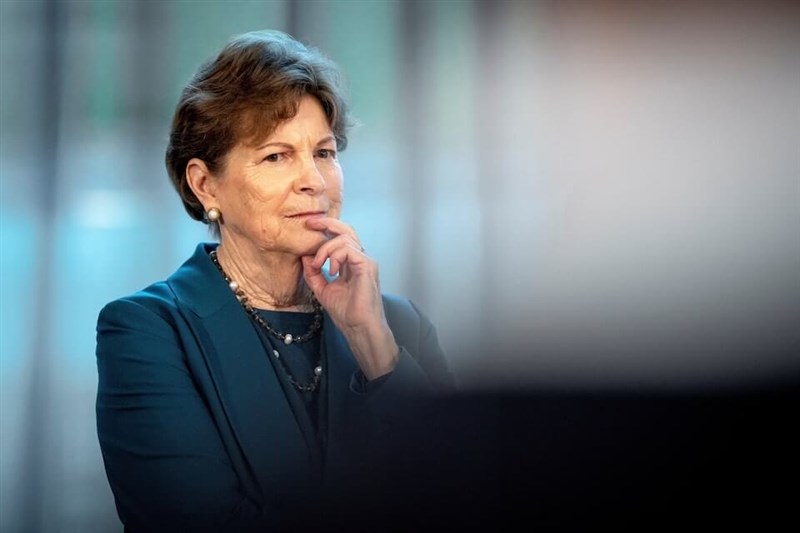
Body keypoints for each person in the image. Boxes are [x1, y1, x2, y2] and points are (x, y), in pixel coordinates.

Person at [95, 29, 454, 532]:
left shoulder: (398, 325)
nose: (313, 179)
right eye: (276, 156)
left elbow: (463, 496)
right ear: (204, 184)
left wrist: (375, 346)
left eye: (325, 153)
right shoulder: (148, 332)